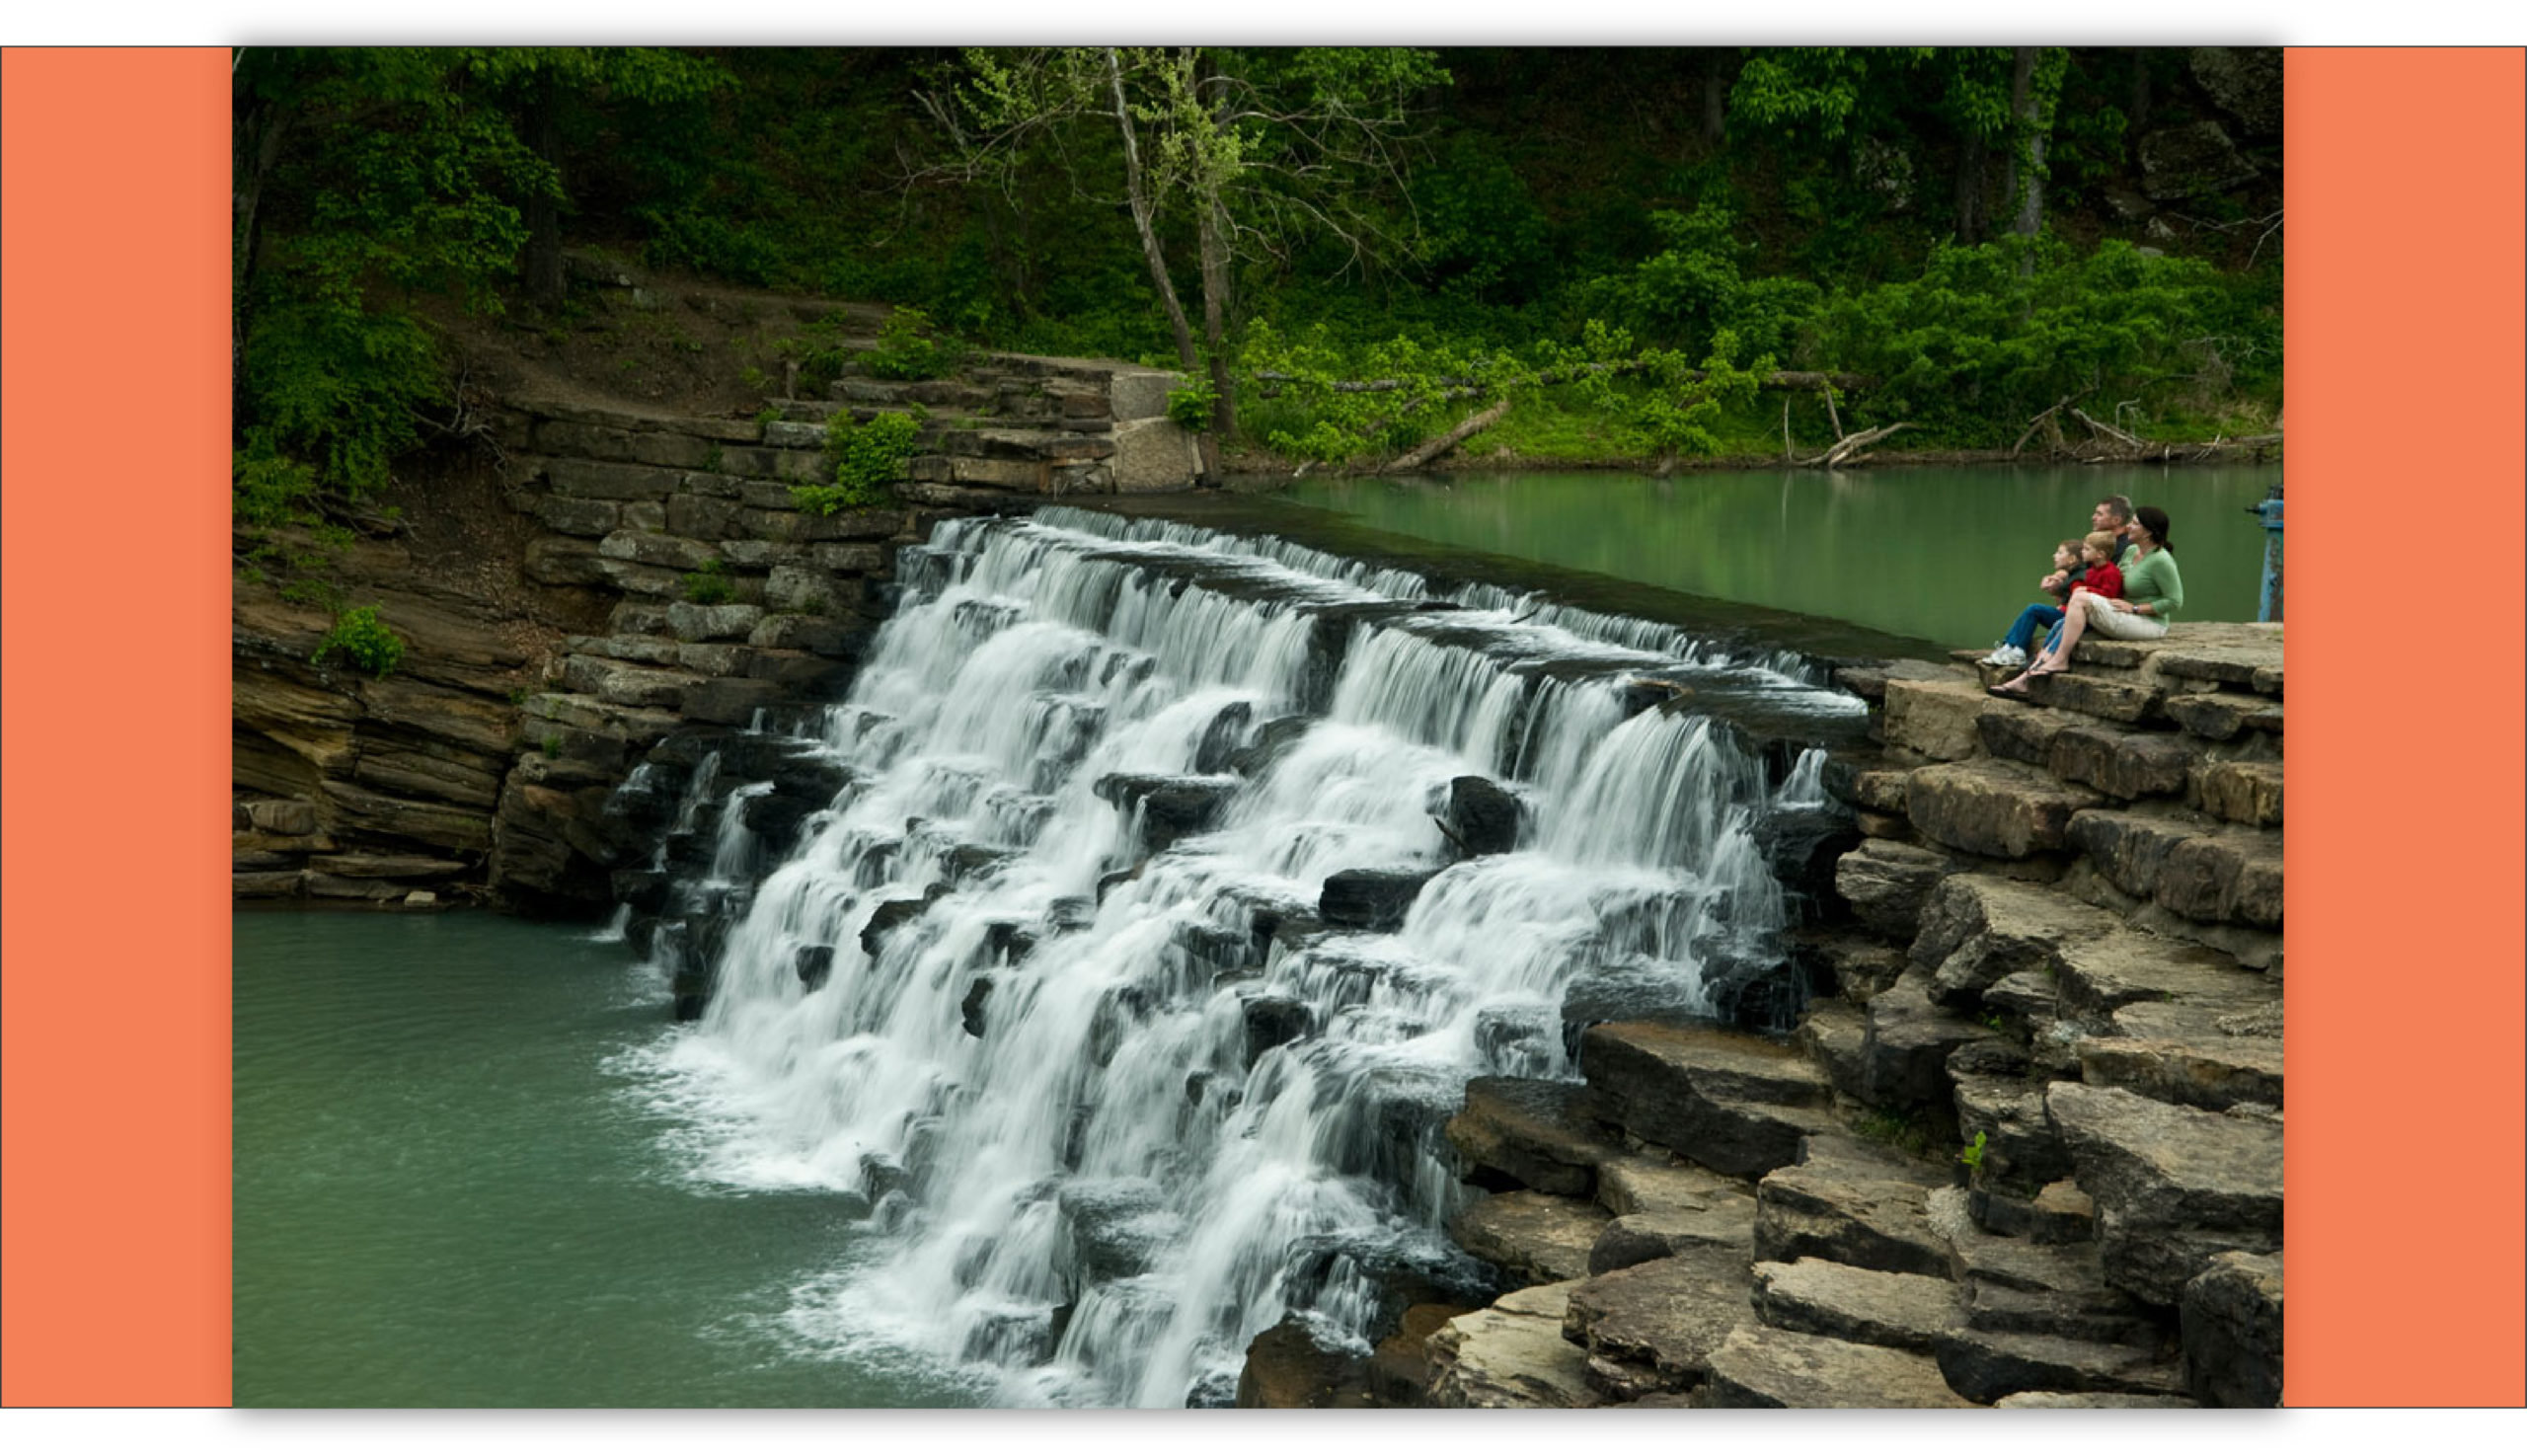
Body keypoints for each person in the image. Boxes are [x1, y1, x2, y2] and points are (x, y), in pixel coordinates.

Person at [1993, 506, 2182, 695]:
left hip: (2149, 623)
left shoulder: (2161, 560)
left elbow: (2174, 601)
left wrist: (2135, 608)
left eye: (2134, 523)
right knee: (2061, 622)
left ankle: (2060, 660)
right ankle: (2026, 677)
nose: (2129, 526)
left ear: (2148, 532)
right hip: (2121, 614)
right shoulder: (2131, 551)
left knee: (2081, 598)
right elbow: (2102, 572)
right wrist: (2062, 575)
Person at [1981, 538, 2086, 668]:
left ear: (2072, 559)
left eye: (2060, 553)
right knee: (2033, 610)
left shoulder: (2078, 579)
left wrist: (2061, 601)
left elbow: (2078, 603)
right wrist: (2056, 588)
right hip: (2065, 616)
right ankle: (2009, 646)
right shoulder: (2072, 575)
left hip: (2069, 620)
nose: (2055, 556)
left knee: (2034, 609)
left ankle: (2017, 650)